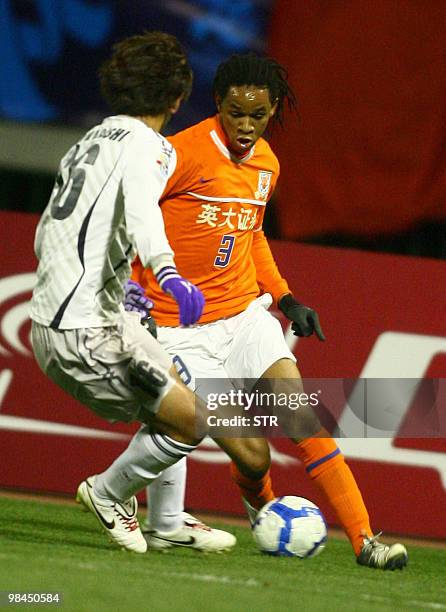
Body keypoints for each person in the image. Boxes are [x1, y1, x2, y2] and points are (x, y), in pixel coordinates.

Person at [127, 53, 408, 570]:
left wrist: (285, 298)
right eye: (236, 113)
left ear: (273, 109)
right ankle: (259, 512)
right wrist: (133, 293)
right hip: (181, 328)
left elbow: (251, 234)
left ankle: (366, 541)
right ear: (219, 104)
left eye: (258, 116)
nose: (246, 126)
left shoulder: (267, 164)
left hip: (244, 317)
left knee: (302, 417)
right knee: (253, 457)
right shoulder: (180, 154)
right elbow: (133, 219)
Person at [29, 31, 242, 554]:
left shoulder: (91, 140)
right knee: (192, 420)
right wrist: (166, 273)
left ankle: (168, 522)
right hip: (83, 334)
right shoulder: (151, 148)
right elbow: (146, 213)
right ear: (176, 99)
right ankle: (107, 493)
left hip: (86, 315)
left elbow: (47, 233)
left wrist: (119, 288)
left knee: (182, 383)